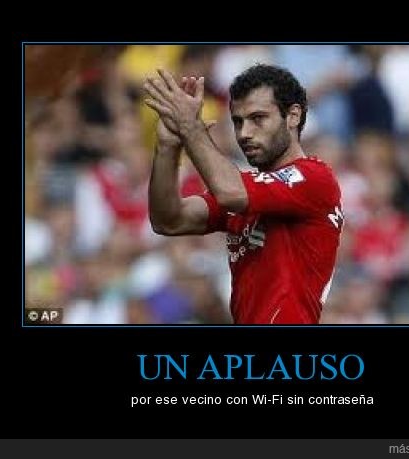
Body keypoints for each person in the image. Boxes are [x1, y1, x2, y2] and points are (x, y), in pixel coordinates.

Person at [143, 64, 343, 324]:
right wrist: (168, 147)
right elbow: (169, 220)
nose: (245, 133)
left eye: (258, 118)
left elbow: (229, 192)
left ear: (293, 116)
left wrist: (190, 127)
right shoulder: (249, 188)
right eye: (238, 122)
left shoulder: (314, 177)